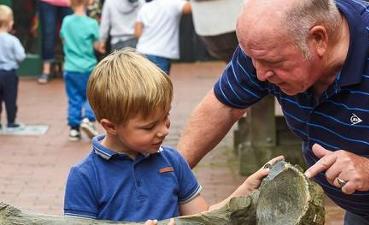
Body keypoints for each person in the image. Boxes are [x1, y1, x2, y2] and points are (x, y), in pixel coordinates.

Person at [177, 0, 369, 224]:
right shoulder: (266, 46)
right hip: (363, 208)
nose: (260, 74)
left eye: (271, 62)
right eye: (252, 60)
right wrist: (170, 175)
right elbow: (223, 105)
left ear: (319, 39)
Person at [63, 48, 283, 223]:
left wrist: (243, 191)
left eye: (165, 118)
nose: (164, 131)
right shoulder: (85, 177)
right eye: (149, 127)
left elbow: (202, 218)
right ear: (110, 126)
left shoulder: (172, 162)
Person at [60, 0, 99, 141]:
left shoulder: (66, 21)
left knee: (74, 97)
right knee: (91, 95)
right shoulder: (92, 23)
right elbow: (97, 45)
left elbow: (63, 39)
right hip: (88, 66)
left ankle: (74, 129)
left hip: (70, 67)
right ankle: (88, 119)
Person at [134, 0, 191, 74]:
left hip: (142, 51)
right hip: (161, 53)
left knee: (143, 83)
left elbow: (137, 32)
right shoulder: (174, 3)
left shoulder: (145, 6)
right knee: (160, 84)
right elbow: (191, 8)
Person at [0, 5, 26, 130]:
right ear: (10, 24)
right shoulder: (12, 40)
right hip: (9, 73)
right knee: (10, 98)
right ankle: (11, 121)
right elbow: (21, 55)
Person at [37, 0, 72, 84]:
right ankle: (46, 70)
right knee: (48, 33)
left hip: (68, 2)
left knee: (69, 35)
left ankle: (68, 69)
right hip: (47, 2)